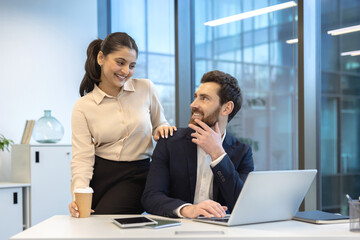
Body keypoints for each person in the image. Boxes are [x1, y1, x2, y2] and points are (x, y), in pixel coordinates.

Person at [69, 32, 176, 217]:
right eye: (120, 62)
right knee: (87, 223)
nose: (126, 71)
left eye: (132, 65)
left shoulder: (146, 88)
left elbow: (160, 123)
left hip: (137, 174)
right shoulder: (83, 106)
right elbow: (82, 158)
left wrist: (162, 128)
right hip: (101, 173)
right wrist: (79, 193)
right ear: (101, 58)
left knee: (105, 220)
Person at [141, 70, 254, 219]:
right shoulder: (169, 142)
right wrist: (188, 209)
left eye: (204, 98)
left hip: (222, 232)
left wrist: (218, 155)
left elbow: (242, 204)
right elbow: (151, 197)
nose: (193, 104)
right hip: (177, 230)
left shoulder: (243, 152)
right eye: (196, 97)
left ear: (226, 108)